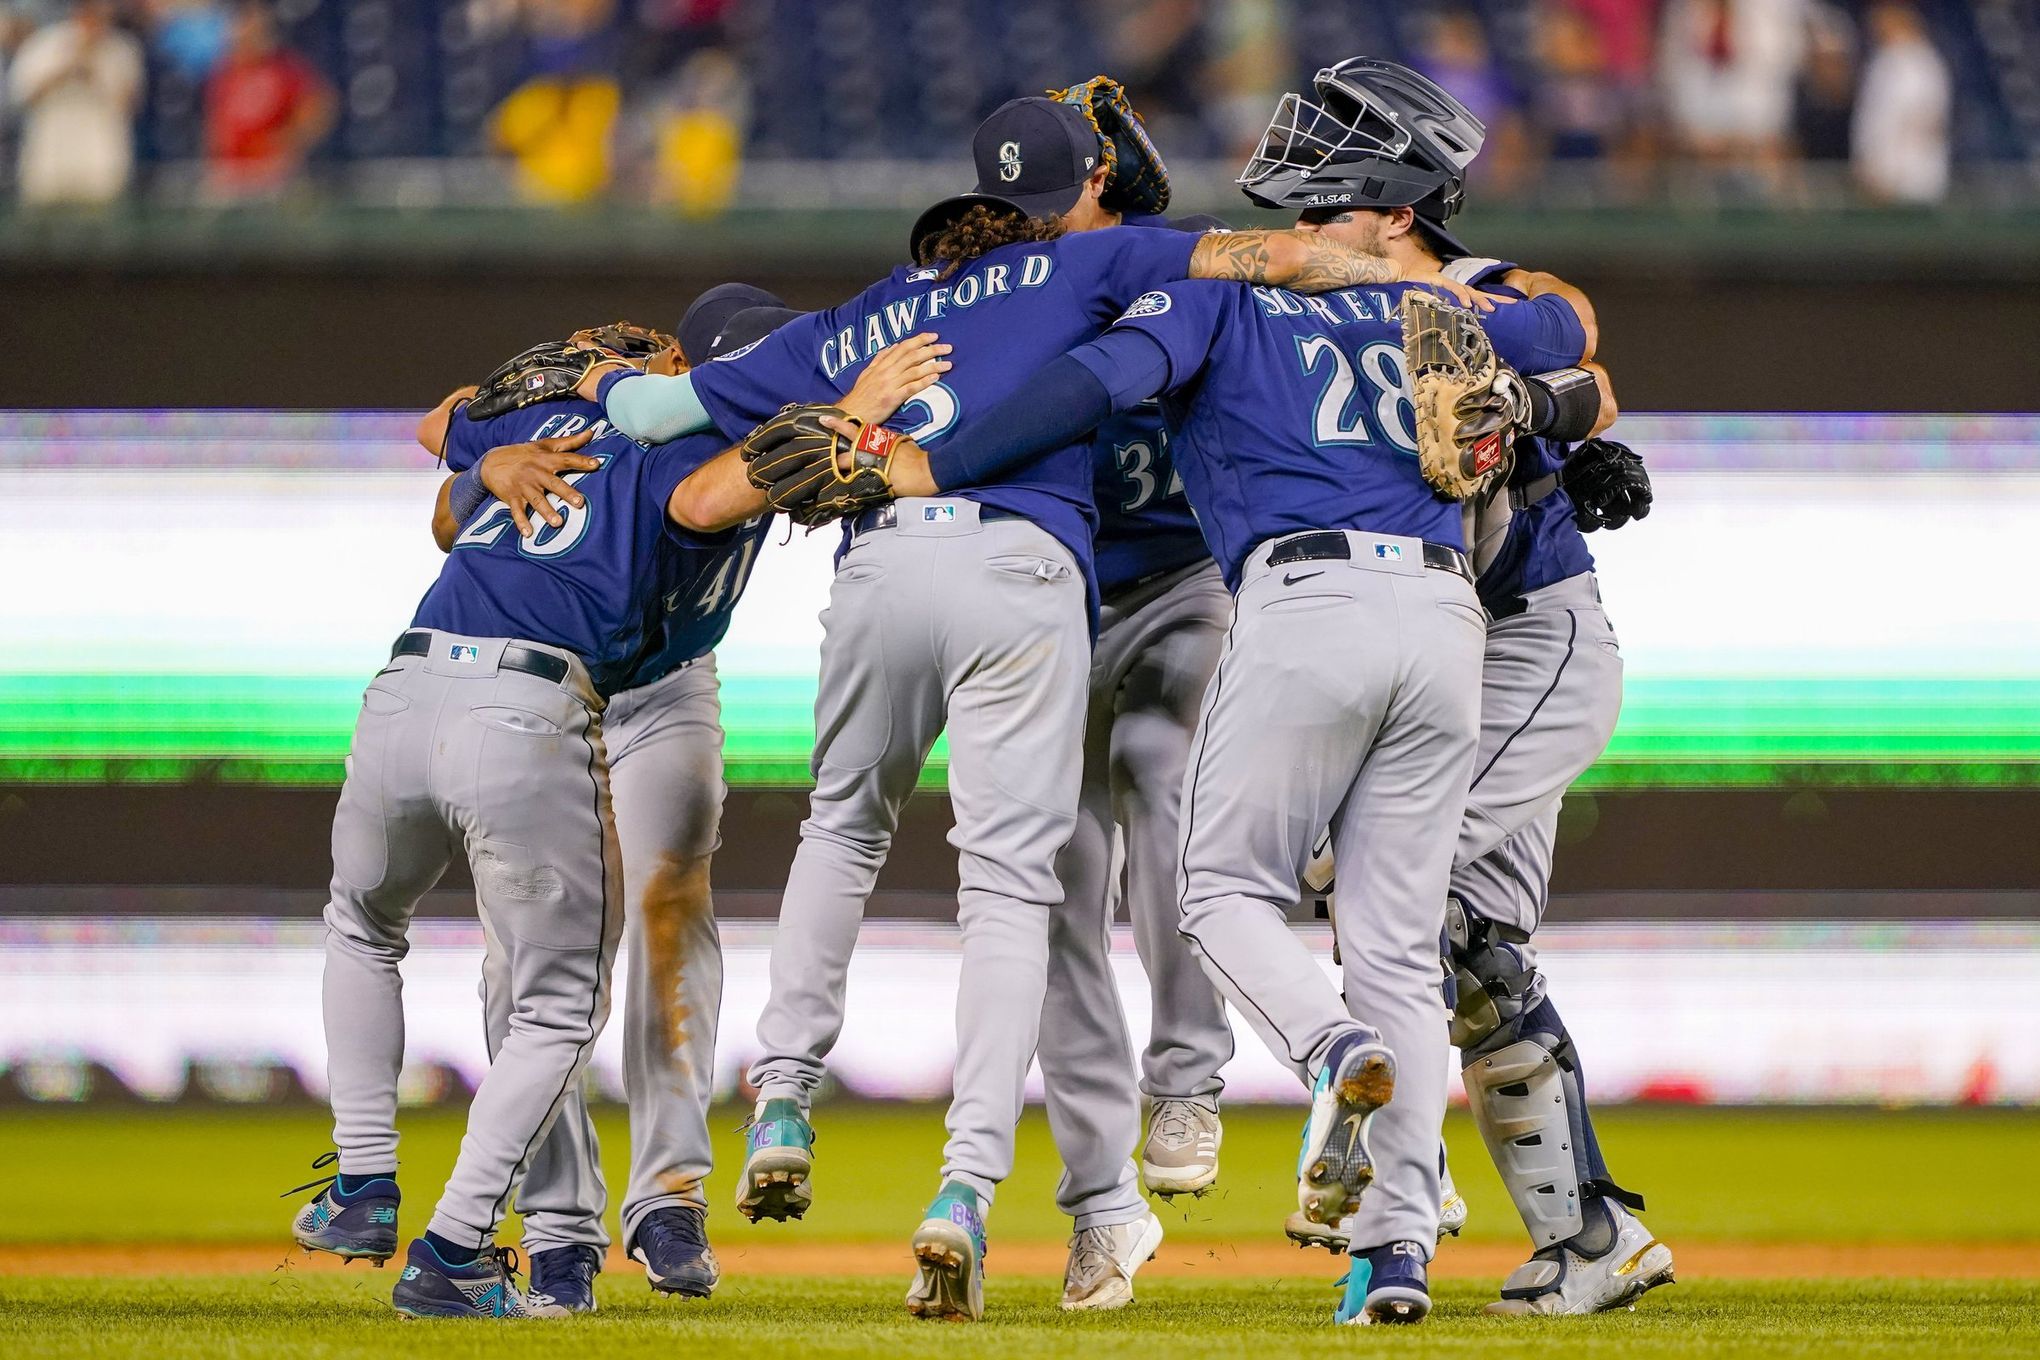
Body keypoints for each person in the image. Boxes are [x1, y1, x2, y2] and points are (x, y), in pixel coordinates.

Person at [563, 110, 1475, 1320]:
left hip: (900, 566)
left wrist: (590, 387)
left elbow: (654, 429)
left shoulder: (866, 317)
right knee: (1026, 885)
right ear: (1082, 191)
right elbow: (1287, 261)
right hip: (1049, 575)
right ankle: (980, 1185)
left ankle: (785, 1087)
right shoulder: (1097, 263)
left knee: (848, 828)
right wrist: (1450, 286)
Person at [831, 60, 1591, 1327]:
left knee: (1220, 891)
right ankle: (1396, 1251)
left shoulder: (1221, 293)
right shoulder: (1432, 302)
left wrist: (936, 459)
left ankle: (1327, 1047)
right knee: (1399, 952)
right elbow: (1561, 332)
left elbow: (1098, 385)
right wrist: (1446, 289)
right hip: (1447, 614)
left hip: (1303, 600)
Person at [284, 316, 941, 1321]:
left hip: (413, 679)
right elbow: (726, 481)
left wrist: (488, 453)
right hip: (543, 698)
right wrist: (856, 411)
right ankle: (483, 1241)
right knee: (552, 998)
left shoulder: (564, 417)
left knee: (366, 924)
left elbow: (439, 436)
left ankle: (369, 1179)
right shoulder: (697, 444)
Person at [1263, 59, 1675, 1319]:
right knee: (1466, 950)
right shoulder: (1300, 303)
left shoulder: (1469, 291)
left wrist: (1558, 406)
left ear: (1393, 201)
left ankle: (1413, 1175)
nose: (1300, 223)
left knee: (1370, 882)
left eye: (1327, 195)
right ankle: (1586, 1237)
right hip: (1443, 652)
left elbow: (1566, 324)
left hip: (1525, 644)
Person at [407, 299, 796, 1315]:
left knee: (672, 908)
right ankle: (558, 1224)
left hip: (664, 686)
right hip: (549, 685)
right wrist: (486, 461)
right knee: (531, 955)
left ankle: (668, 1196)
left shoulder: (724, 418)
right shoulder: (577, 414)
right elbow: (448, 464)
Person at [7, 0, 142, 206]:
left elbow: (129, 106)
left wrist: (93, 71)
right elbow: (23, 97)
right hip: (50, 159)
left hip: (100, 161)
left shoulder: (121, 49)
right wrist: (66, 68)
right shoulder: (45, 44)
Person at [203, 1, 333, 197]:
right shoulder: (225, 72)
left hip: (273, 175)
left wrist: (287, 141)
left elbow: (320, 108)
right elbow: (216, 121)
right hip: (232, 172)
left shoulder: (284, 69)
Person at [1850, 1, 1951, 205]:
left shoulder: (1920, 63)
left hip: (1907, 184)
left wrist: (1893, 174)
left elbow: (1924, 125)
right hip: (1877, 177)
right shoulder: (1886, 60)